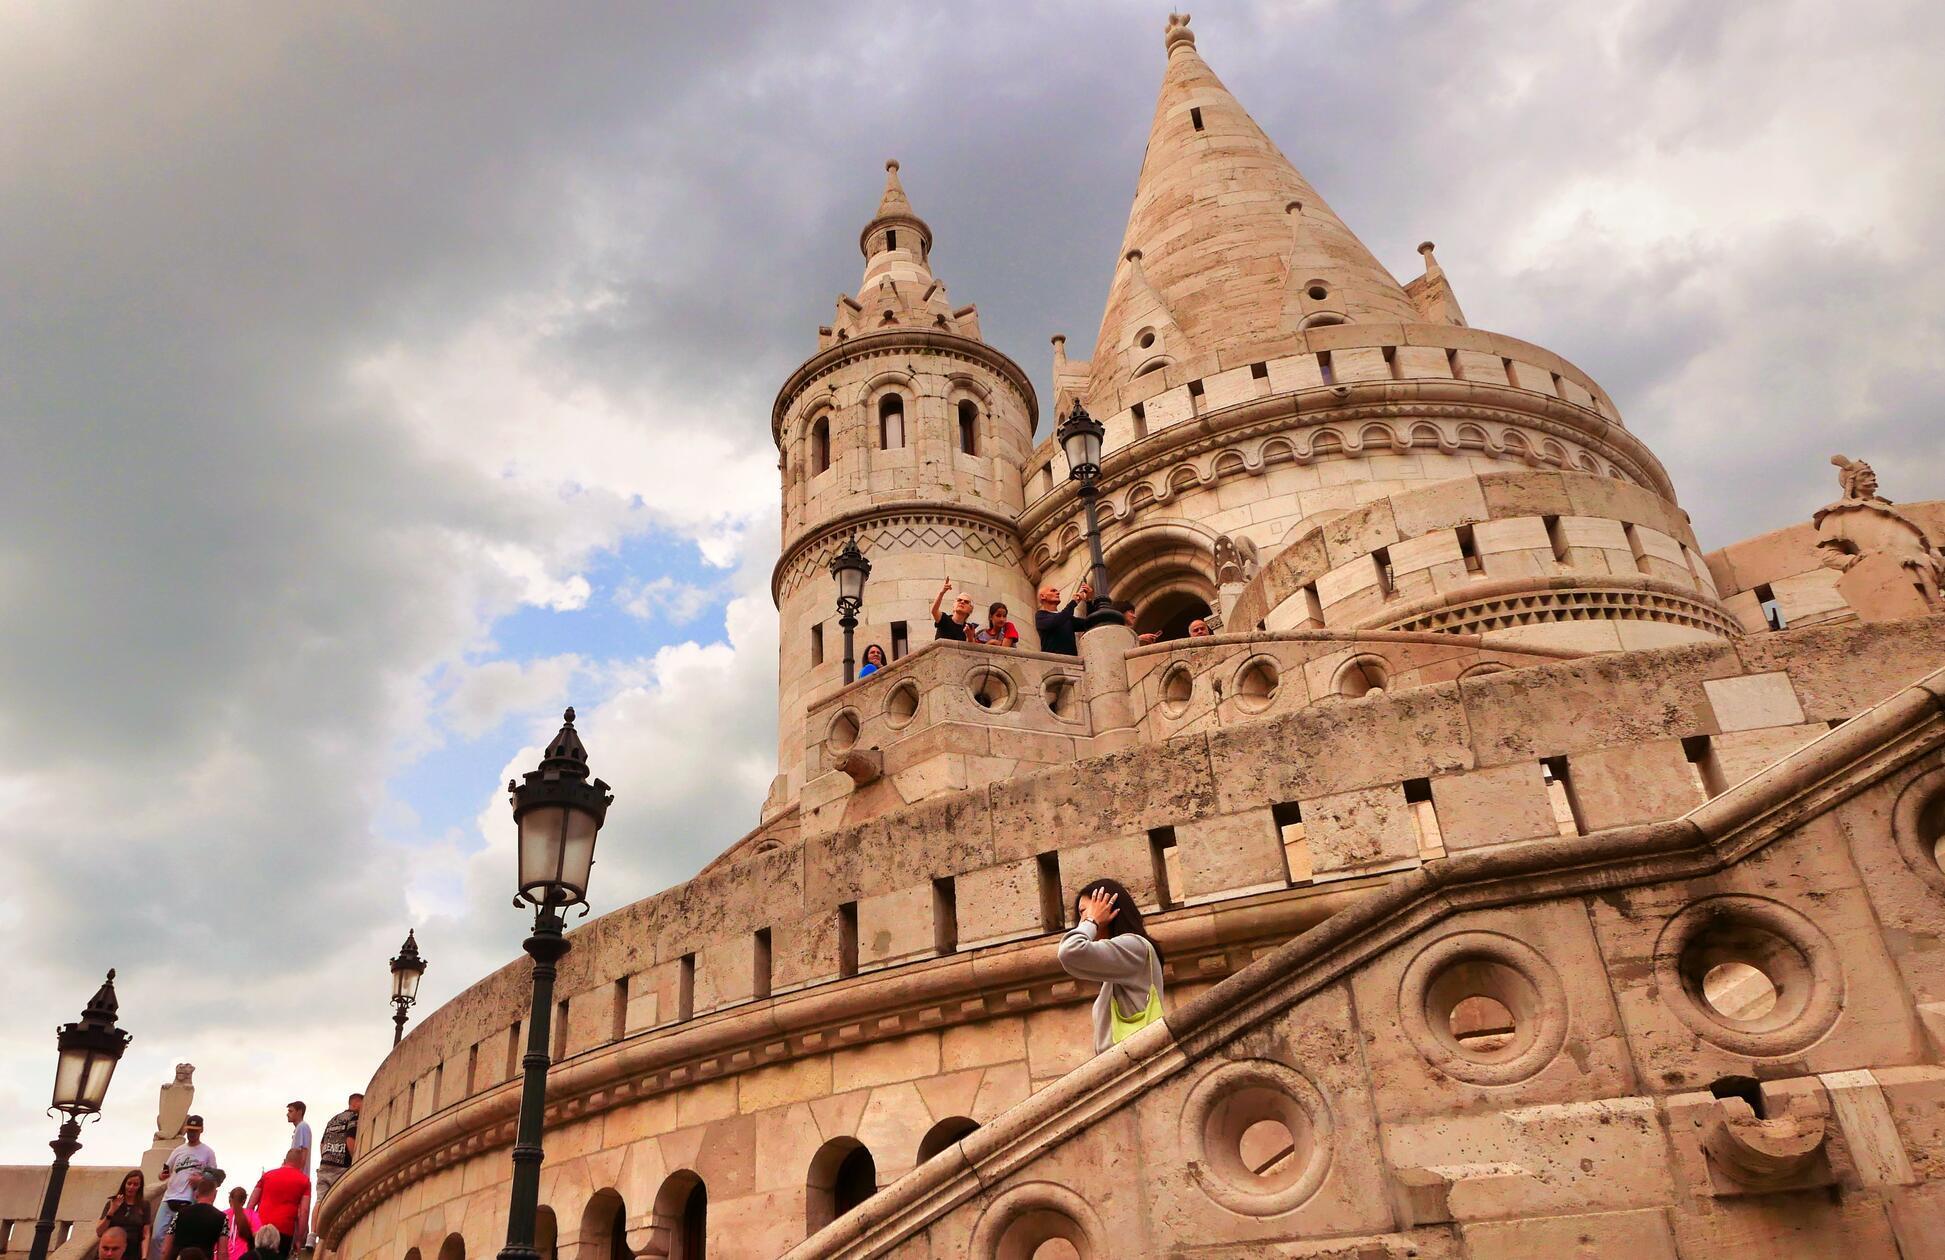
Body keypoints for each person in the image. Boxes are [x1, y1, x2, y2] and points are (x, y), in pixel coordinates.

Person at [1056, 878, 1166, 1053]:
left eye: (1085, 911)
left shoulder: (1134, 946)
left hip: (1134, 1059)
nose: (1081, 923)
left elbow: (1070, 951)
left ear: (1108, 910)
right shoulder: (1117, 970)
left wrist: (1092, 920)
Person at [154, 1116, 218, 1258]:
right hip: (169, 1197)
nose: (191, 1134)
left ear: (201, 1130)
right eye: (189, 1131)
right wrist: (162, 1175)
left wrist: (200, 1180)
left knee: (183, 1240)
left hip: (190, 1199)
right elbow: (164, 1171)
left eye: (195, 1131)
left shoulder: (208, 1152)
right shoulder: (178, 1150)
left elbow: (215, 1178)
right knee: (157, 1236)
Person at [247, 1151, 310, 1260]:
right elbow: (304, 1211)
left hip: (260, 1228)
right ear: (301, 1162)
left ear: (285, 1160)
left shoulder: (267, 1175)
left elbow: (251, 1203)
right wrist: (299, 1239)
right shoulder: (304, 1180)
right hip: (284, 1231)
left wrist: (249, 1228)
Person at [312, 1094, 361, 1220]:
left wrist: (325, 1158)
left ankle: (312, 1235)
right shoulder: (354, 1117)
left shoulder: (332, 1120)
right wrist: (354, 1160)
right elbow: (350, 1140)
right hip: (341, 1166)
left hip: (325, 1164)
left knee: (320, 1201)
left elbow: (322, 1143)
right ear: (355, 1103)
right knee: (339, 1201)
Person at [159, 1173, 227, 1260]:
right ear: (214, 1194)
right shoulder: (222, 1218)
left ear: (196, 1194)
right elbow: (223, 1253)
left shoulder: (180, 1214)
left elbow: (165, 1249)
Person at [98, 1170, 152, 1260]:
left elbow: (146, 1234)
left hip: (133, 1252)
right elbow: (99, 1232)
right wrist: (112, 1210)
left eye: (135, 1184)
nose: (131, 1187)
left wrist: (144, 1257)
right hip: (112, 1251)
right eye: (129, 1183)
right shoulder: (112, 1202)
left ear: (140, 1186)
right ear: (124, 1184)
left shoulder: (144, 1205)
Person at [1034, 582, 1093, 656]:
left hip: (1073, 663)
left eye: (1057, 591)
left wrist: (1089, 601)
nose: (1058, 593)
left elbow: (1090, 623)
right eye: (1053, 591)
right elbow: (1056, 622)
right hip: (1054, 663)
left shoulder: (1067, 618)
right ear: (1043, 596)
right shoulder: (1040, 616)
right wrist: (1074, 602)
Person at [222, 1188, 260, 1260]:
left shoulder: (222, 1214)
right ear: (244, 1200)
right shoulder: (252, 1215)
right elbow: (257, 1235)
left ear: (230, 1199)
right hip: (244, 1256)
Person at [285, 1102, 313, 1174]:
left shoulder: (302, 1126)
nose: (287, 1114)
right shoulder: (299, 1128)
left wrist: (298, 1175)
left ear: (299, 1112)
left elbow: (304, 1151)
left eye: (291, 1111)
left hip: (298, 1176)